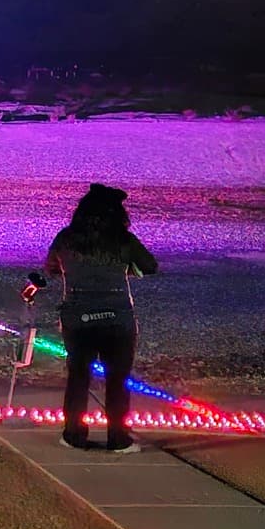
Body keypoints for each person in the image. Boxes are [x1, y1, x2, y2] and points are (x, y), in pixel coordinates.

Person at [42, 183, 158, 452]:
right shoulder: (123, 240)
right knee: (118, 379)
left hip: (77, 315)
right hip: (117, 316)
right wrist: (127, 270)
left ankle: (73, 435)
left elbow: (50, 268)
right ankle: (118, 438)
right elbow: (150, 266)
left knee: (78, 377)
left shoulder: (66, 238)